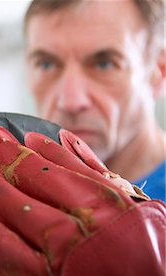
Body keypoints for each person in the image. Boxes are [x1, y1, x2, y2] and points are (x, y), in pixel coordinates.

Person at [24, 0, 166, 202]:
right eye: (46, 64)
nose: (70, 102)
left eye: (104, 64)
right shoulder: (13, 197)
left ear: (159, 72)